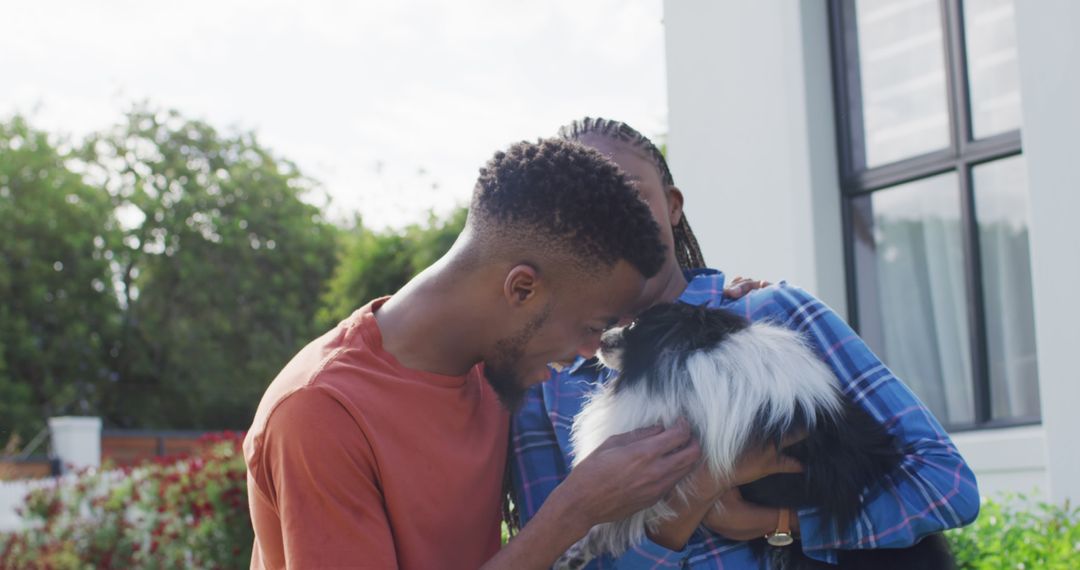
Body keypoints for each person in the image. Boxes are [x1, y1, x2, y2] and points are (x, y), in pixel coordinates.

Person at [509, 118, 980, 568]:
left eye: (629, 194)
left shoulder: (775, 316)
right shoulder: (546, 388)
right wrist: (701, 492)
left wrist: (778, 522)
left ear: (673, 206)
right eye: (582, 210)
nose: (610, 220)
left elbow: (944, 485)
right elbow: (553, 558)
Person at [243, 138, 708, 570]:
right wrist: (574, 510)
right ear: (522, 288)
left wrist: (729, 304)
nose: (590, 352)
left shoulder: (493, 367)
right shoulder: (320, 413)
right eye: (591, 328)